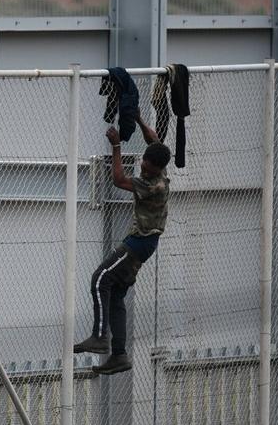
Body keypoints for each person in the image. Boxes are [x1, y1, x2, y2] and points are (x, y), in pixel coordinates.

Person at [74, 115, 171, 375]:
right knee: (115, 294)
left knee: (100, 278)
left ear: (155, 169)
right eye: (144, 163)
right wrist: (137, 117)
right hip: (146, 243)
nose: (143, 167)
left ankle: (99, 336)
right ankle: (119, 355)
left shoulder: (152, 184)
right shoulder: (161, 163)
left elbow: (118, 180)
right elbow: (153, 139)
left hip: (138, 243)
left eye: (147, 167)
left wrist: (116, 146)